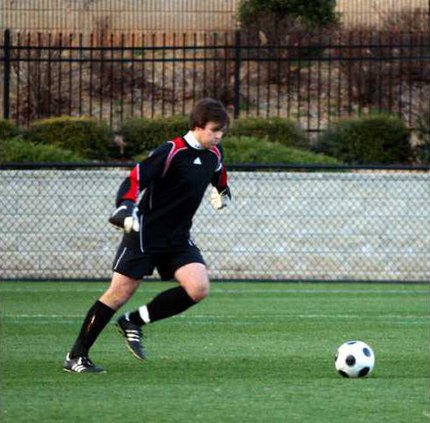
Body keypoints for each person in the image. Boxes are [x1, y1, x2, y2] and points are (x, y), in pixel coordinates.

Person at [64, 98, 231, 373]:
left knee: (198, 288)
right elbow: (136, 178)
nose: (219, 135)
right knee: (119, 293)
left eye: (222, 130)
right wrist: (125, 207)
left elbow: (218, 174)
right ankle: (76, 356)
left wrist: (222, 191)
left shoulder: (215, 152)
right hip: (144, 235)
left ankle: (133, 322)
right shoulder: (171, 151)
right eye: (214, 129)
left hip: (177, 237)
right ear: (198, 126)